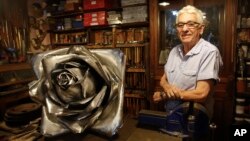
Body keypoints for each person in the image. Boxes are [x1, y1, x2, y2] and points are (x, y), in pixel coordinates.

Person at [153, 5, 223, 140]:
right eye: (180, 25)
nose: (184, 29)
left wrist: (164, 95)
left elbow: (201, 93)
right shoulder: (174, 51)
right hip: (171, 117)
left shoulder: (209, 52)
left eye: (191, 24)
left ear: (201, 28)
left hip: (194, 123)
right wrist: (167, 88)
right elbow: (163, 79)